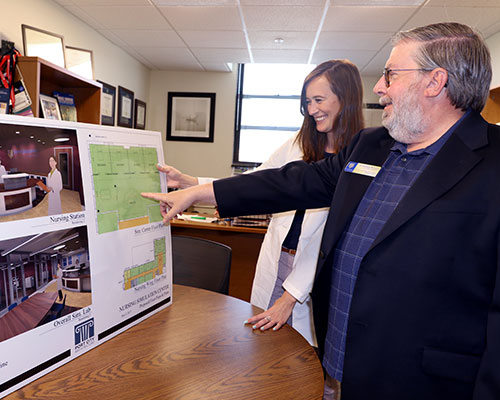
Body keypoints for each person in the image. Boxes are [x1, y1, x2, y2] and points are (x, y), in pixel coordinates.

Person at [143, 22, 500, 400]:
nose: (379, 87)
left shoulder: (492, 162)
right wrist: (200, 192)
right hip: (345, 360)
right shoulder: (371, 146)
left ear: (435, 81)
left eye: (391, 75)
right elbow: (290, 182)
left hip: (426, 381)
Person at [158, 59, 364, 346]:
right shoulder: (298, 142)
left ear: (347, 98)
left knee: (308, 354)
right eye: (307, 101)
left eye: (319, 99)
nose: (312, 109)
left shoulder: (361, 161)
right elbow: (256, 183)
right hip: (279, 256)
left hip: (315, 272)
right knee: (263, 344)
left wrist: (290, 297)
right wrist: (190, 183)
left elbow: (334, 241)